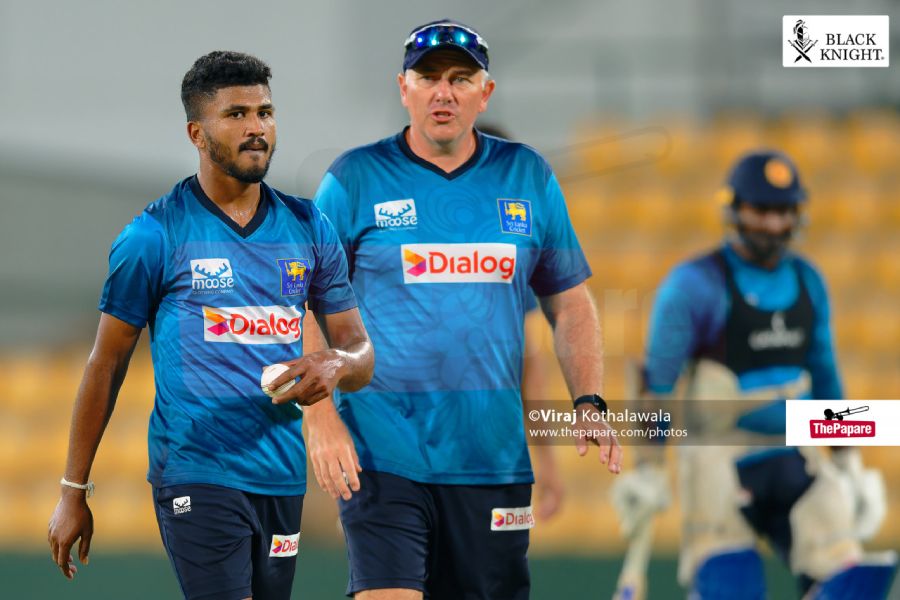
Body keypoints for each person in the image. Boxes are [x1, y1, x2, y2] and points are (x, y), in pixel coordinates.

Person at [305, 19, 621, 599]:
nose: (443, 92)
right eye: (428, 78)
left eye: (460, 78)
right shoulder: (353, 180)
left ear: (486, 92)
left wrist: (588, 399)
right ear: (403, 88)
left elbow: (570, 300)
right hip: (384, 454)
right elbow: (303, 301)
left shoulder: (527, 175)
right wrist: (321, 419)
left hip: (492, 462)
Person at [46, 51, 374, 600]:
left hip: (281, 475)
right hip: (197, 472)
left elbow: (361, 353)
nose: (256, 128)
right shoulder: (154, 235)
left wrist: (336, 363)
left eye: (265, 112)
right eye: (237, 114)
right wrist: (72, 489)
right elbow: (106, 362)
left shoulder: (308, 227)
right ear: (197, 133)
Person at [612, 150, 893, 599]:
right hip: (718, 456)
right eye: (761, 210)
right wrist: (649, 467)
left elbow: (825, 378)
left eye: (783, 211)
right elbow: (658, 386)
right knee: (730, 583)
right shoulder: (694, 285)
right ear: (735, 210)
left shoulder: (808, 282)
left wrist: (848, 463)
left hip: (794, 452)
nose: (774, 224)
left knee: (848, 581)